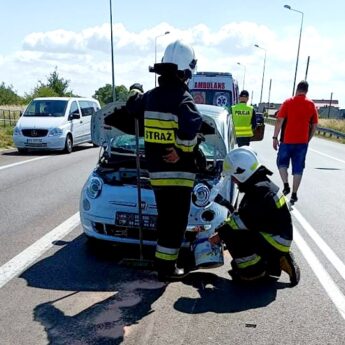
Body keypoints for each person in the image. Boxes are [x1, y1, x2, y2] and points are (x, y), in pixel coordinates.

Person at [125, 40, 202, 281]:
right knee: (176, 223)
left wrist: (135, 89)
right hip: (179, 175)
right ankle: (167, 269)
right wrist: (180, 149)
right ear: (184, 71)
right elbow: (193, 127)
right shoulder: (183, 98)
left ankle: (163, 263)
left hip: (157, 174)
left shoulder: (150, 97)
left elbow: (131, 105)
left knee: (165, 220)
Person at [208, 146, 300, 287]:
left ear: (242, 172)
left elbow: (244, 221)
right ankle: (277, 259)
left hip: (275, 241)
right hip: (277, 237)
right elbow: (244, 215)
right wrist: (223, 227)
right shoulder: (260, 185)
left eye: (233, 176)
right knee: (230, 230)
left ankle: (253, 272)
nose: (233, 181)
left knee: (232, 235)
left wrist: (220, 234)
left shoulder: (259, 191)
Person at [273, 80, 318, 204]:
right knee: (298, 168)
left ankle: (286, 185)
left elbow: (279, 121)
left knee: (281, 163)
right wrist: (308, 139)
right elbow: (314, 125)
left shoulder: (288, 102)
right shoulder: (311, 105)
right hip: (302, 142)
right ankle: (294, 194)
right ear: (306, 91)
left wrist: (275, 138)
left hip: (287, 141)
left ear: (297, 89)